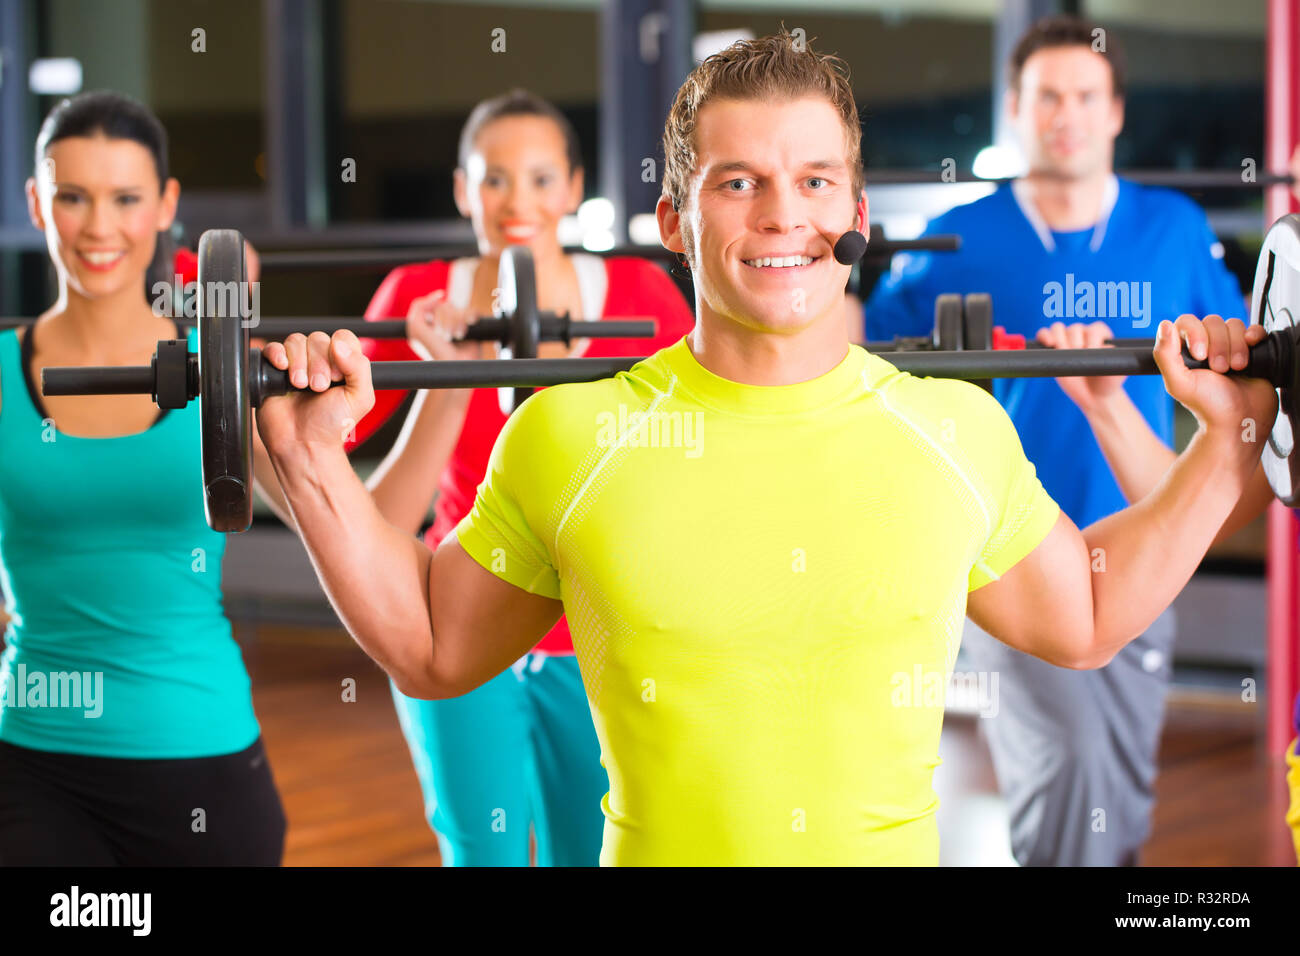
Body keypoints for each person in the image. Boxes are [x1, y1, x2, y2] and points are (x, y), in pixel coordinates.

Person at [254, 33, 1275, 865]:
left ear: (856, 215)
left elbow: (1088, 611)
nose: (784, 212)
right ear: (672, 220)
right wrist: (308, 465)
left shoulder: (952, 428)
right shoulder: (573, 435)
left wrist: (1233, 438)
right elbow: (435, 643)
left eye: (815, 180)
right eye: (738, 183)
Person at [863, 15, 1246, 866]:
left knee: (1122, 783)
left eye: (1083, 96)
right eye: (1046, 98)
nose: (1064, 115)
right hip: (1015, 546)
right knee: (1066, 765)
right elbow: (860, 352)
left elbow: (1245, 358)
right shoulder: (959, 236)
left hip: (1150, 536)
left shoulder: (1174, 230)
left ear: (1113, 112)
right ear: (1016, 110)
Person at [344, 89, 694, 866]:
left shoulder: (639, 299)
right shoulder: (416, 299)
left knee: (591, 850)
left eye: (540, 179)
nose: (517, 201)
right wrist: (450, 379)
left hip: (599, 637)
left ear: (573, 188)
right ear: (464, 190)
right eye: (493, 179)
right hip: (459, 619)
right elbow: (372, 522)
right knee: (484, 852)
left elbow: (693, 475)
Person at [0, 90, 291, 865]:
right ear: (36, 202)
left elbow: (376, 529)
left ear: (164, 205)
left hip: (202, 756)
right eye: (72, 196)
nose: (99, 226)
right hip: (31, 761)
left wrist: (457, 390)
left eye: (125, 198)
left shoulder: (225, 370)